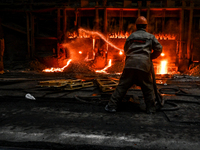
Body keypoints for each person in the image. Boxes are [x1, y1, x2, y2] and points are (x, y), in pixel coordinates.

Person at [105, 16, 162, 114]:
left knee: (122, 86)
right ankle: (151, 109)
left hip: (130, 65)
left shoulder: (131, 36)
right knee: (148, 88)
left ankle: (111, 106)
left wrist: (132, 56)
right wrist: (150, 56)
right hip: (144, 65)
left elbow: (126, 50)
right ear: (145, 26)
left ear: (136, 26)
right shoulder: (150, 36)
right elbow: (159, 48)